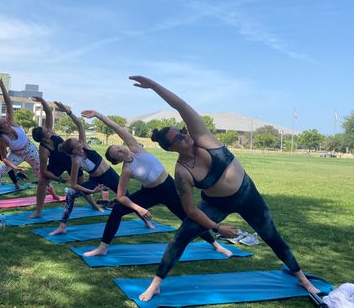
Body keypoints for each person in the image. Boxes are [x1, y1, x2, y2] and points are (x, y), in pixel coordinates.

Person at [125, 76, 320, 302]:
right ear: (171, 148)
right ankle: (156, 285)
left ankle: (302, 278)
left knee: (271, 235)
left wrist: (154, 86)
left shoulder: (203, 138)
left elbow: (181, 106)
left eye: (182, 132)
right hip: (215, 204)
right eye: (178, 137)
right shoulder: (182, 172)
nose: (184, 135)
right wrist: (218, 228)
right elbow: (190, 210)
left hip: (247, 194)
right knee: (180, 238)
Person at [79, 110, 231, 258]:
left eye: (118, 147)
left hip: (169, 187)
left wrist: (98, 115)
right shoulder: (127, 171)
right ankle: (103, 247)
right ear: (116, 161)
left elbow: (118, 128)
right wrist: (139, 208)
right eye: (117, 153)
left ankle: (215, 244)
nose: (120, 150)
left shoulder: (135, 147)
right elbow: (120, 196)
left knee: (189, 217)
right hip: (150, 193)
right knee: (117, 210)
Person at [50, 105, 153, 236]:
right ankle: (62, 226)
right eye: (78, 143)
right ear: (74, 150)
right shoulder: (75, 161)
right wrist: (91, 191)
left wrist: (69, 112)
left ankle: (146, 220)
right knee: (71, 193)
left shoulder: (85, 146)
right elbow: (74, 184)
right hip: (96, 180)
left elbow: (79, 125)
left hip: (110, 175)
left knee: (127, 197)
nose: (80, 141)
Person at [0, 77, 61, 210]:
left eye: (5, 121)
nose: (6, 122)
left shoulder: (12, 123)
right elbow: (3, 158)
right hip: (16, 154)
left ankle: (53, 194)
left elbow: (8, 104)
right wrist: (15, 166)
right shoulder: (3, 139)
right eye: (3, 123)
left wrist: (2, 86)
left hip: (30, 150)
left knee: (41, 174)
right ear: (0, 129)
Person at [30, 98, 100, 217]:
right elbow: (44, 171)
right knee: (42, 181)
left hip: (71, 160)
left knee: (81, 185)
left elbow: (48, 113)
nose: (48, 129)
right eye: (45, 131)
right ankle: (38, 211)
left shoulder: (51, 133)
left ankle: (94, 205)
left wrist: (41, 100)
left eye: (46, 128)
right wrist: (60, 179)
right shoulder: (43, 150)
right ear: (43, 138)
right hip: (56, 164)